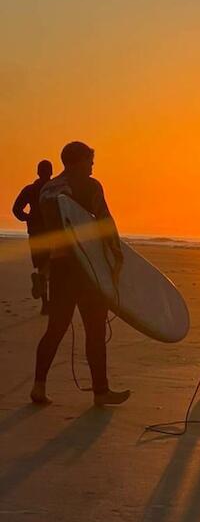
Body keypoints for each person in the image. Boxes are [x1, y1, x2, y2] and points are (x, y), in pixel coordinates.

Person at [31, 141, 130, 407]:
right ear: (77, 162)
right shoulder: (90, 185)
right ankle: (101, 392)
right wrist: (117, 256)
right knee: (95, 330)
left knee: (55, 328)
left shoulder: (48, 190)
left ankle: (38, 386)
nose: (92, 165)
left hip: (60, 266)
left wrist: (44, 267)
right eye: (89, 160)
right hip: (88, 268)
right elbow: (105, 221)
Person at [12, 159, 54, 313]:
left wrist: (28, 218)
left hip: (35, 233)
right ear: (51, 172)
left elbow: (16, 209)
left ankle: (45, 303)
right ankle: (47, 300)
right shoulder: (54, 190)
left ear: (38, 172)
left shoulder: (30, 189)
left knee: (42, 265)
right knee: (52, 266)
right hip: (52, 233)